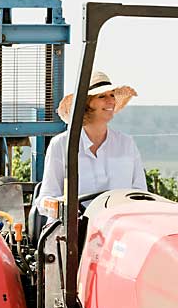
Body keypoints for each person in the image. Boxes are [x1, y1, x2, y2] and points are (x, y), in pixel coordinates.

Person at [38, 70, 147, 210]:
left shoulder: (126, 144)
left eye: (112, 95)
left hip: (118, 227)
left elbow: (141, 194)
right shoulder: (61, 145)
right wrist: (69, 210)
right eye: (102, 96)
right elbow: (46, 200)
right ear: (86, 104)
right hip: (75, 228)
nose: (111, 101)